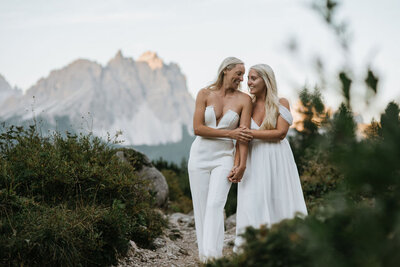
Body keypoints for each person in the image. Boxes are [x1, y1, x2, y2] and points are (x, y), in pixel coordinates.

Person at [229, 64, 308, 252]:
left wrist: (249, 134)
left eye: (253, 78)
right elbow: (241, 139)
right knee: (252, 199)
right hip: (254, 158)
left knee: (279, 198)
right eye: (248, 78)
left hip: (278, 158)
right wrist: (238, 164)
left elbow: (280, 133)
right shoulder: (247, 104)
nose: (248, 82)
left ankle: (286, 245)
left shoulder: (281, 103)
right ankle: (253, 247)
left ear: (266, 80)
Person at [188, 57, 252, 262]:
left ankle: (212, 258)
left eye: (243, 75)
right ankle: (204, 257)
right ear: (226, 70)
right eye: (239, 73)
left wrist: (240, 164)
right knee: (200, 206)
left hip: (224, 156)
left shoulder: (244, 100)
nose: (242, 78)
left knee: (215, 204)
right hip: (199, 156)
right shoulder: (204, 94)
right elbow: (198, 128)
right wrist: (229, 134)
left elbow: (243, 136)